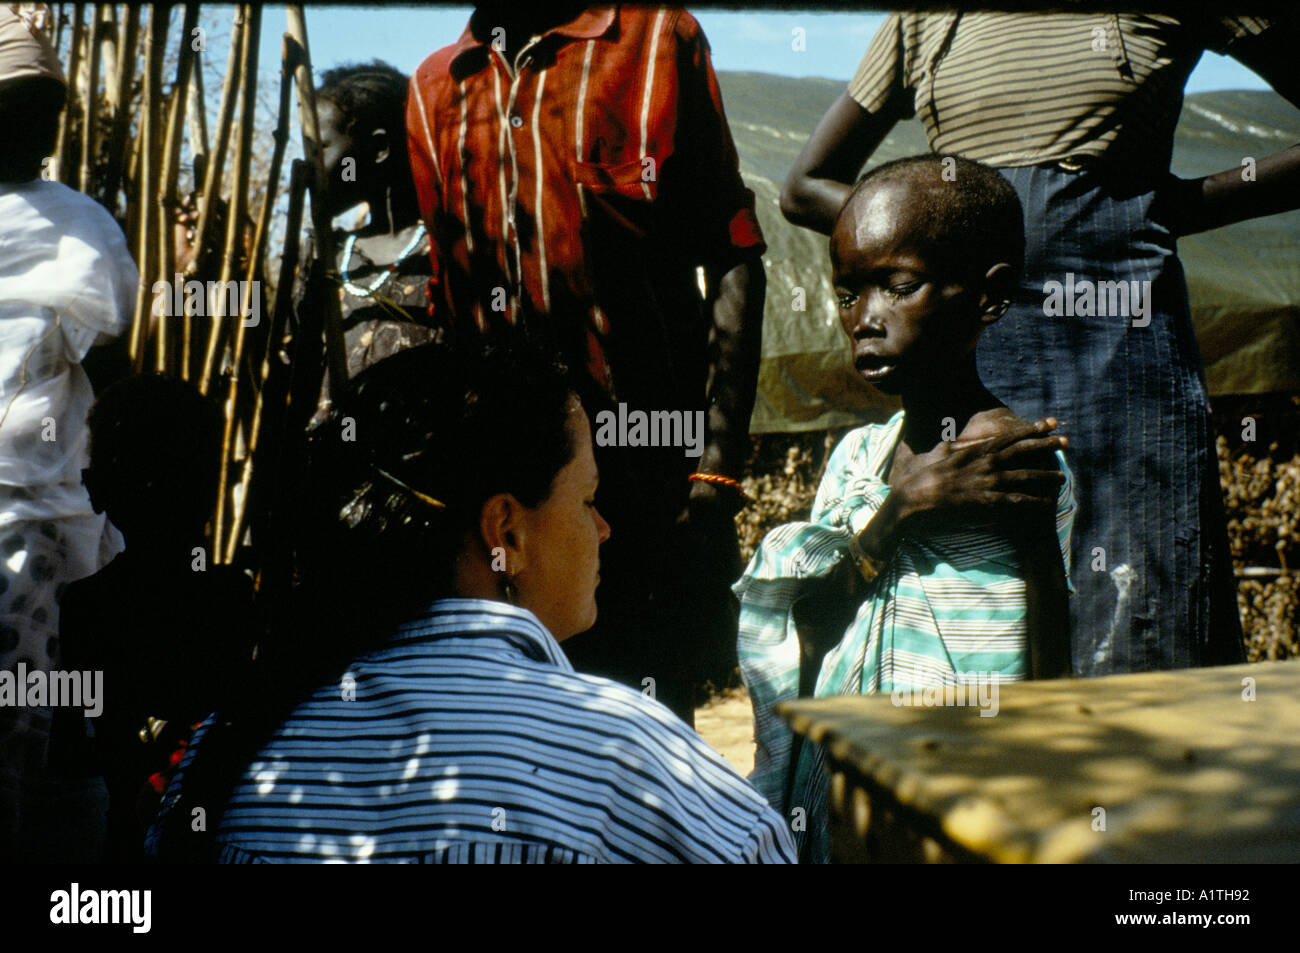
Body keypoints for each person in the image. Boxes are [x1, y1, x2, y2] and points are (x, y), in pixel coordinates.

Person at [779, 11, 1300, 676]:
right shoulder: (930, 17)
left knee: (1144, 623)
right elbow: (805, 184)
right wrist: (939, 240)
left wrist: (1179, 206)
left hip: (1124, 355)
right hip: (981, 364)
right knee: (982, 631)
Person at [148, 344, 795, 864]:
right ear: (507, 534)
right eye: (587, 499)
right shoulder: (622, 759)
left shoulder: (225, 752)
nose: (603, 529)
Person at [405, 3, 766, 724]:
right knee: (507, 740)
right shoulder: (434, 89)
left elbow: (734, 253)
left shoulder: (659, 41)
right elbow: (448, 306)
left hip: (646, 493)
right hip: (502, 509)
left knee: (640, 735)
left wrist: (715, 467)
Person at [736, 156, 1076, 863]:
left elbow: (1047, 681)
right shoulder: (860, 460)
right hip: (846, 800)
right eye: (848, 292)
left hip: (964, 801)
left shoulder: (1019, 463)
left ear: (989, 296)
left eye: (898, 287)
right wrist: (901, 510)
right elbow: (810, 626)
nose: (865, 319)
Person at [0, 7, 136, 861]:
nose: (35, 126)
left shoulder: (81, 226)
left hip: (34, 511)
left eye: (45, 110)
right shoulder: (80, 224)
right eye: (18, 106)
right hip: (33, 508)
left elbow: (113, 360)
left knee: (20, 717)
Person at [58, 374, 256, 863]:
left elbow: (72, 754)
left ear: (108, 487)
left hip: (129, 845)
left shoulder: (88, 604)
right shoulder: (236, 597)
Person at [313, 61, 438, 387]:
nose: (306, 166)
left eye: (321, 148)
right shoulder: (322, 256)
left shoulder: (444, 253)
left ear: (379, 148)